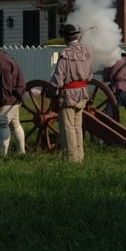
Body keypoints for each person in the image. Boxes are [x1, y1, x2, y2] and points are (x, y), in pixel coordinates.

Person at [48, 24, 93, 162]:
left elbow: (58, 78)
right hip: (83, 93)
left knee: (68, 128)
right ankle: (79, 157)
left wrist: (51, 92)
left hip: (68, 95)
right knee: (77, 127)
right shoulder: (86, 52)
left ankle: (71, 159)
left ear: (66, 37)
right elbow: (90, 75)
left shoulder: (65, 54)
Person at [102, 52, 126, 136]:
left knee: (108, 114)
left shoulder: (112, 61)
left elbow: (105, 77)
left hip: (119, 90)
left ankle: (104, 138)